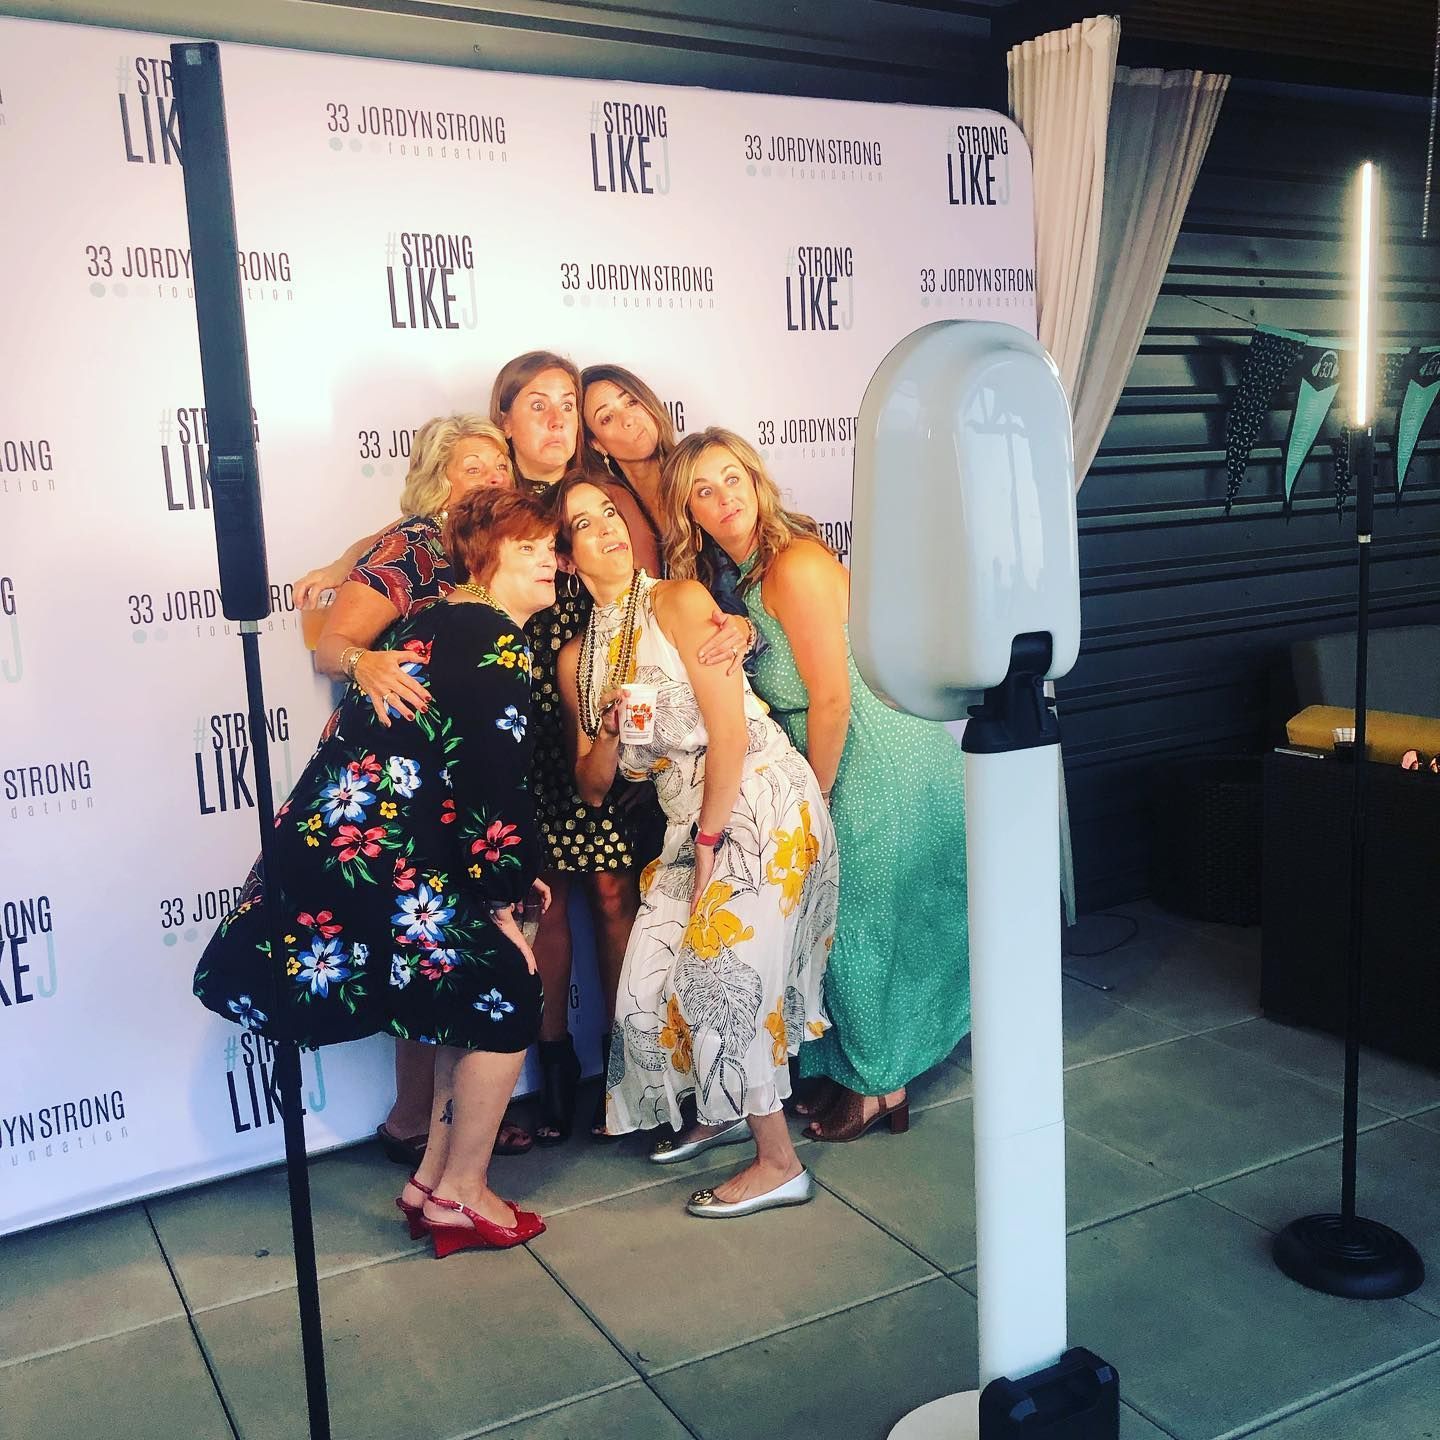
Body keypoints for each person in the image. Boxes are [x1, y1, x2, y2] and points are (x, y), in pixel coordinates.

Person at [195, 488, 560, 1254]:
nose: (550, 561)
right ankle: (462, 1191)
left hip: (371, 856)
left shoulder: (430, 622)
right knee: (506, 990)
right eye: (528, 548)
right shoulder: (493, 638)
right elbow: (494, 780)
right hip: (387, 860)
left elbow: (450, 770)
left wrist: (507, 880)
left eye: (551, 547)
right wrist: (503, 895)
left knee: (463, 1001)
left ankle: (432, 1180)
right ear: (483, 559)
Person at [661, 429, 971, 1142]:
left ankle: (881, 1084)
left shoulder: (794, 562)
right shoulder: (736, 580)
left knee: (867, 922)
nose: (723, 498)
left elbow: (832, 696)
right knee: (840, 923)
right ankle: (855, 1068)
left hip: (872, 752)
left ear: (756, 479)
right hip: (836, 750)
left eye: (731, 478)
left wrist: (818, 800)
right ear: (689, 513)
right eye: (702, 491)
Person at [554, 477, 838, 1218]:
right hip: (690, 821)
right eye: (585, 524)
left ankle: (778, 1163)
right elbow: (591, 786)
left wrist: (710, 839)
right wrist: (612, 733)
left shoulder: (677, 600)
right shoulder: (578, 659)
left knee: (720, 975)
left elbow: (733, 733)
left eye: (611, 513)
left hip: (758, 799)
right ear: (565, 556)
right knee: (645, 992)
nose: (608, 529)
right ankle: (718, 1113)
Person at [491, 352, 749, 1144]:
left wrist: (735, 625)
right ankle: (554, 1061)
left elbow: (672, 578)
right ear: (504, 416)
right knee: (539, 898)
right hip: (530, 700)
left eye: (571, 406)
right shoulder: (495, 493)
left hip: (622, 693)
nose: (561, 419)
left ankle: (623, 1068)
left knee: (608, 893)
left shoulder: (603, 498)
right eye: (542, 405)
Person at [291, 414, 533, 1163]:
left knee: (431, 954)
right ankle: (424, 1130)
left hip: (454, 773)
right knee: (432, 949)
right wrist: (365, 663)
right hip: (406, 784)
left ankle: (425, 1128)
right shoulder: (416, 543)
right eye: (471, 464)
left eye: (499, 461)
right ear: (437, 479)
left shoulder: (476, 548)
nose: (492, 472)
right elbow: (336, 642)